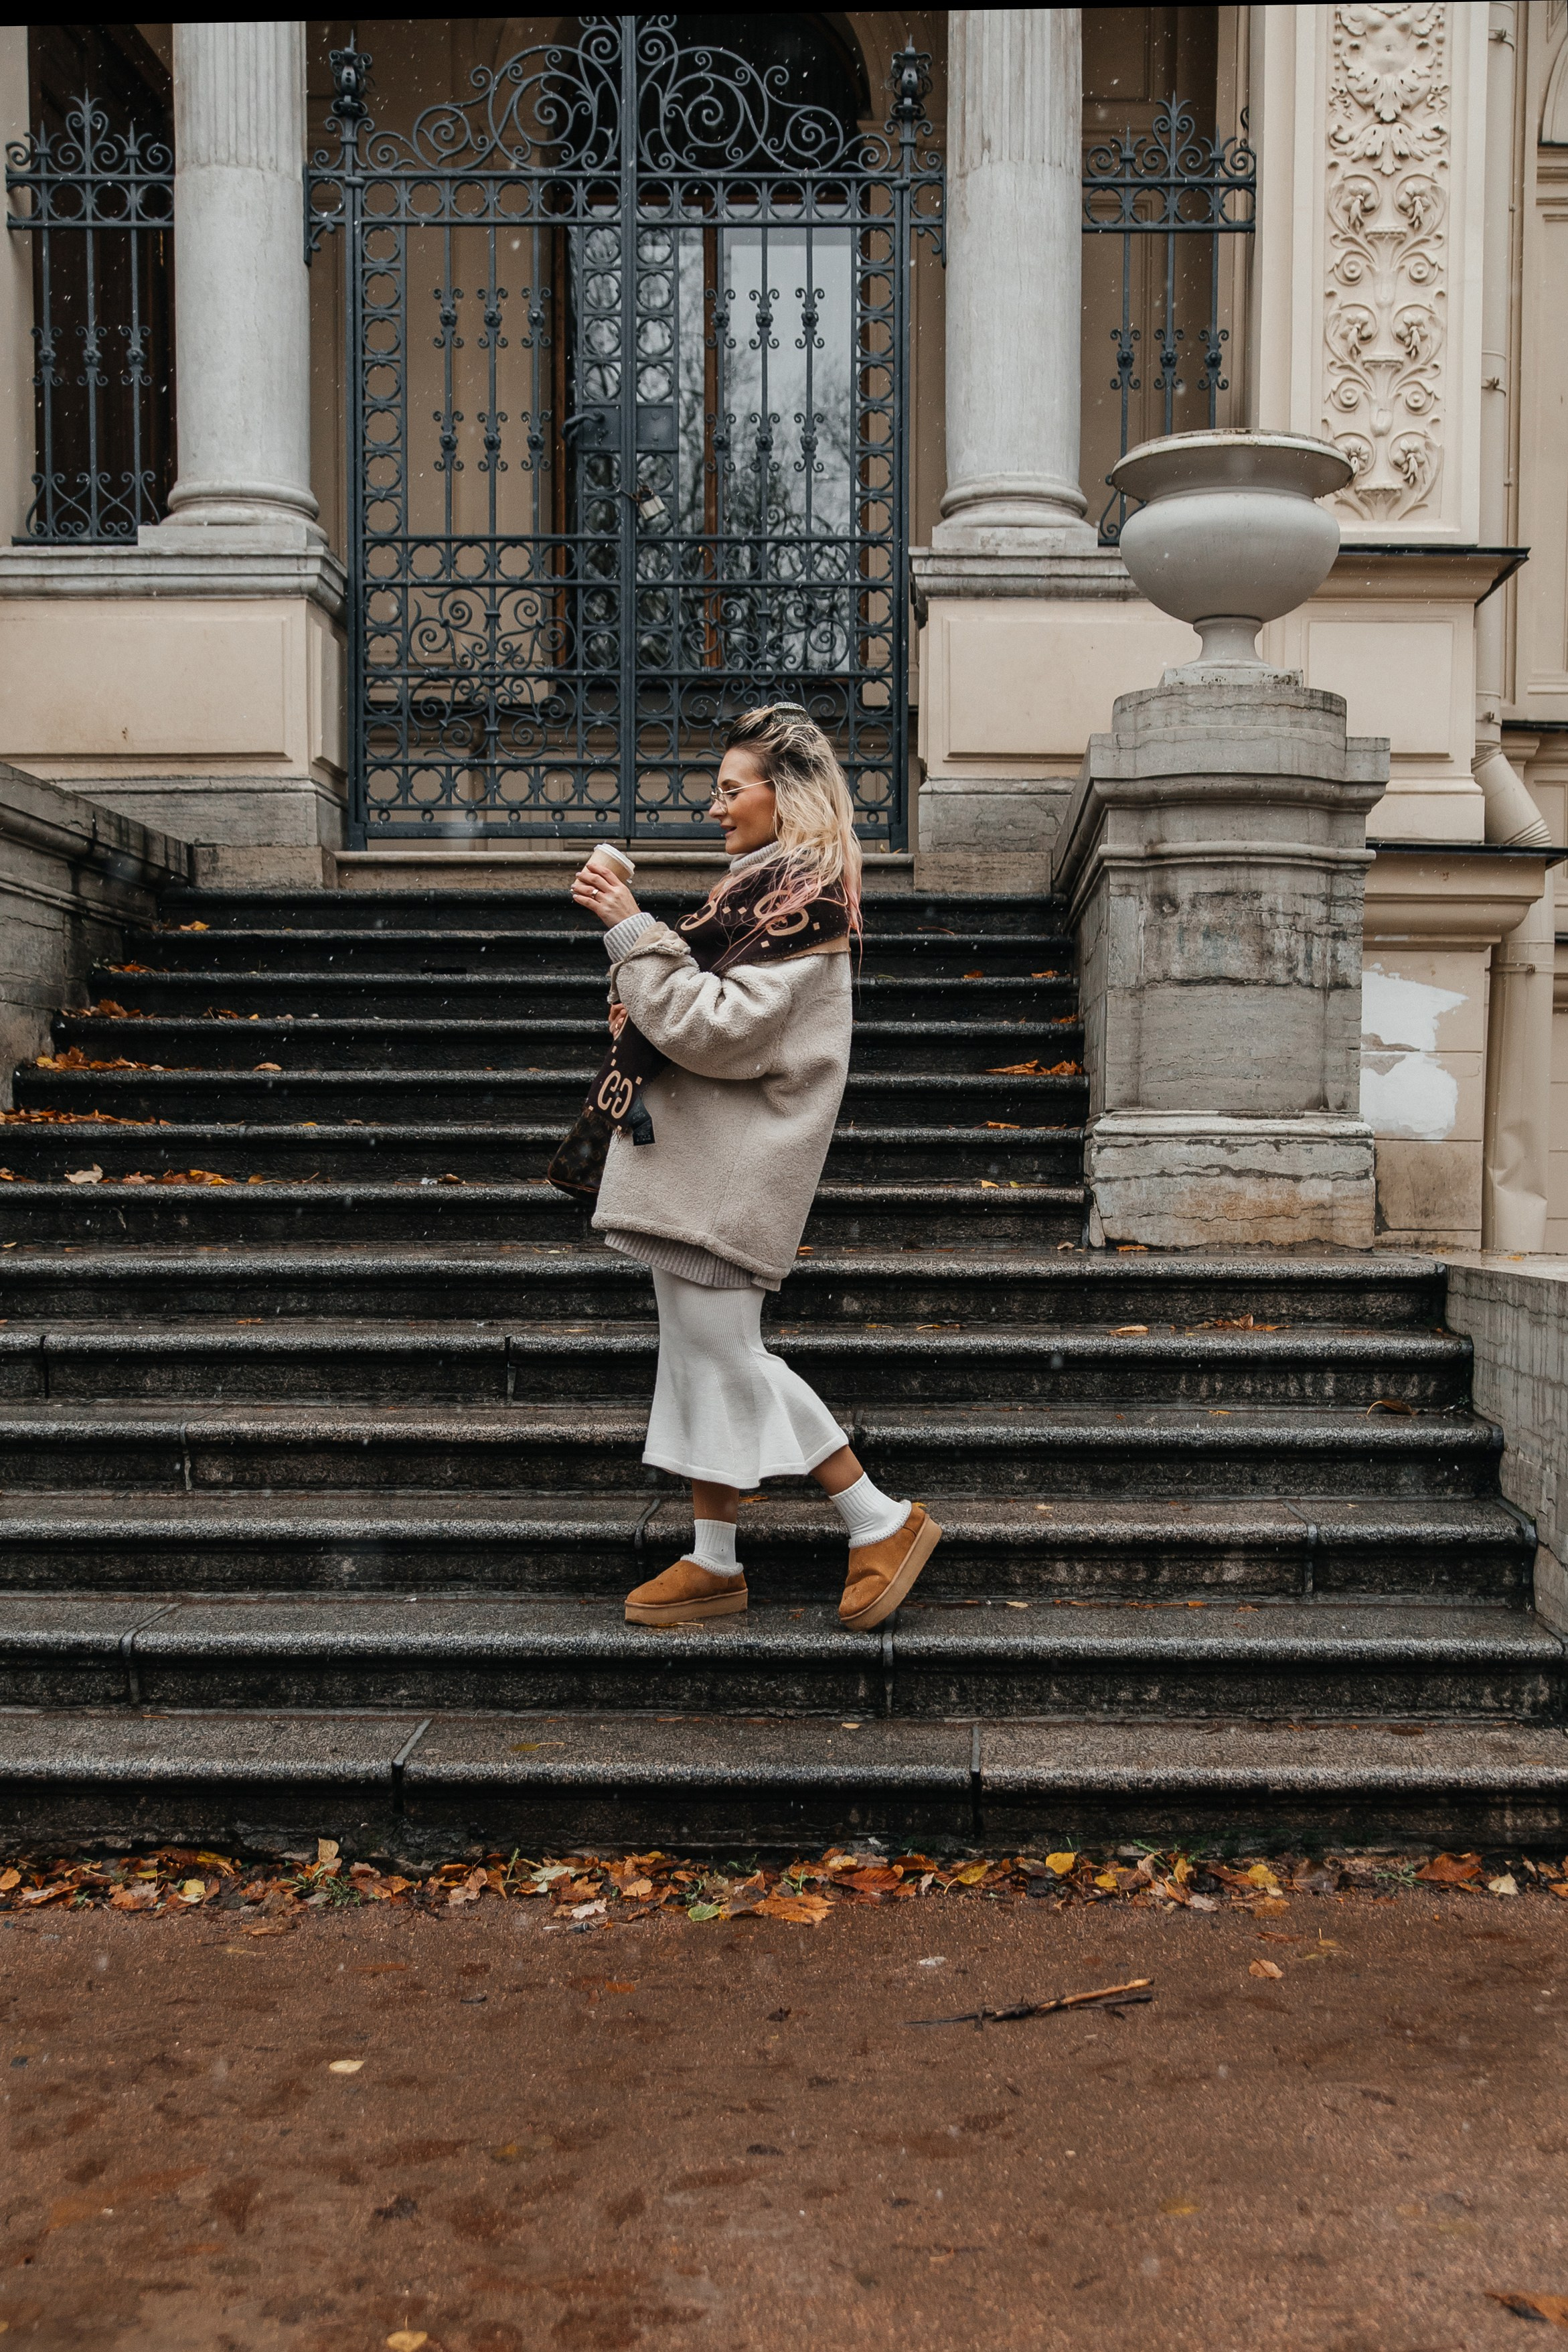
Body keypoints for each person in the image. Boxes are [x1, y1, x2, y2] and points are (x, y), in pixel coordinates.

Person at [570, 703, 942, 1631]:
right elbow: (693, 1014)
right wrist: (640, 986)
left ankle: (878, 1517)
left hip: (732, 1169)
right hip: (703, 1162)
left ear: (787, 796)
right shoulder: (761, 898)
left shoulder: (801, 902)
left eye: (730, 790)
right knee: (695, 1359)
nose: (714, 808)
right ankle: (713, 1558)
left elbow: (723, 1030)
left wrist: (628, 928)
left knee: (726, 1355)